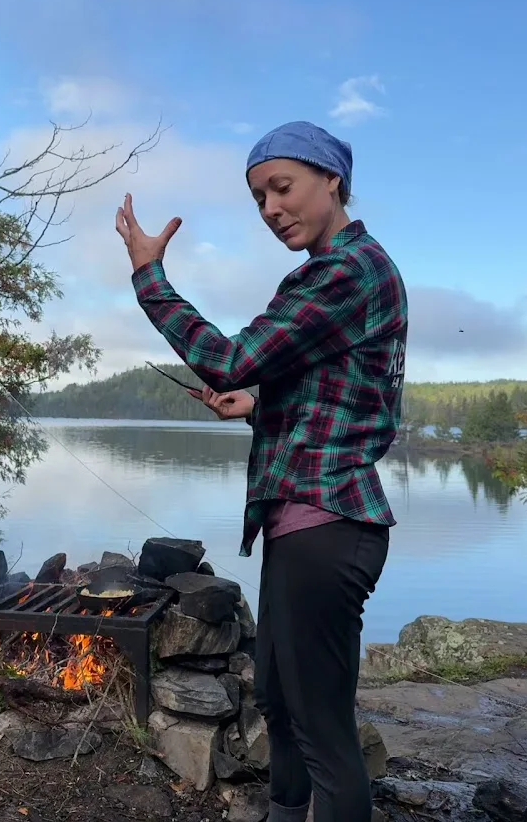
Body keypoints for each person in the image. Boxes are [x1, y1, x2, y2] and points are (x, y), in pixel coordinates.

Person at [114, 120, 408, 822]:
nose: (271, 209)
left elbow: (230, 358)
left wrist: (150, 279)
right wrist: (258, 404)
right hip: (303, 523)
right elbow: (339, 397)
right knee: (279, 699)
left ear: (332, 180)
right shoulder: (331, 272)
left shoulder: (349, 271)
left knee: (321, 727)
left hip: (329, 524)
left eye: (282, 187)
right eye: (258, 199)